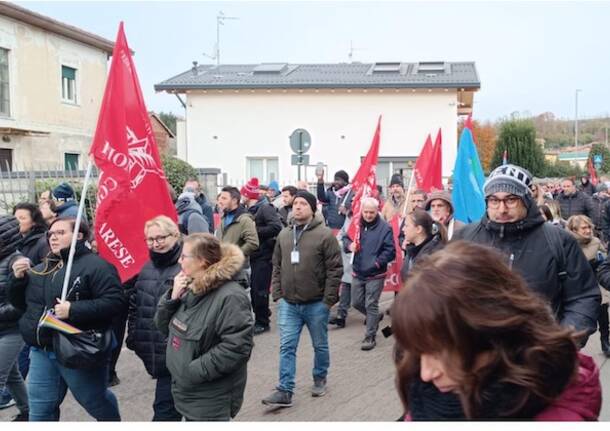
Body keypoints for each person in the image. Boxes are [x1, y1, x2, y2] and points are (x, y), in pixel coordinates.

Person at [392, 241, 602, 420]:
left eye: (440, 353)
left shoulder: (559, 412)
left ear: (492, 335)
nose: (426, 374)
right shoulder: (423, 393)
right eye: (419, 353)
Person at [453, 164, 600, 342]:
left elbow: (583, 298)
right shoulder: (465, 238)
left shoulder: (559, 241)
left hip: (540, 357)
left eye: (511, 199)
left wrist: (562, 342)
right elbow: (444, 293)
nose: (502, 209)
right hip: (476, 359)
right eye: (494, 200)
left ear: (527, 199)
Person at [7, 217, 126, 421]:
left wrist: (74, 309)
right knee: (40, 409)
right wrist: (17, 281)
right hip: (42, 350)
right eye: (51, 234)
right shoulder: (44, 266)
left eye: (60, 233)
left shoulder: (97, 266)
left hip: (76, 348)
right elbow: (22, 305)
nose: (53, 237)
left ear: (79, 236)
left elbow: (116, 303)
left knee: (95, 402)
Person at [154, 233, 254, 421]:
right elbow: (162, 327)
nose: (179, 260)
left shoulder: (230, 296)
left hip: (209, 398)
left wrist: (191, 371)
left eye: (184, 256)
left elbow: (237, 348)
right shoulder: (190, 286)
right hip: (187, 391)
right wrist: (172, 297)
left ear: (201, 261)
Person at [262, 190, 342, 407]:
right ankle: (285, 390)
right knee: (287, 346)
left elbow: (335, 270)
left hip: (316, 304)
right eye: (295, 203)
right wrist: (277, 295)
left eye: (303, 204)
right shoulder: (284, 235)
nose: (297, 207)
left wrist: (328, 301)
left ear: (312, 208)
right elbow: (276, 265)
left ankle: (319, 377)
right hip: (289, 303)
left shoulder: (325, 235)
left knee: (320, 345)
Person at [125, 216, 183, 420]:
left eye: (161, 237)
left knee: (164, 413)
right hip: (156, 354)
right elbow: (136, 303)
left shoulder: (187, 265)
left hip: (179, 354)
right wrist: (133, 336)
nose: (155, 243)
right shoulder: (147, 267)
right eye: (150, 239)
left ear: (175, 235)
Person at [342, 197, 395, 350]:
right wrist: (349, 245)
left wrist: (377, 263)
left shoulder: (385, 228)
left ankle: (370, 336)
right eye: (366, 212)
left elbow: (390, 251)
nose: (368, 215)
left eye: (371, 212)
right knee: (356, 302)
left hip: (375, 273)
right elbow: (345, 238)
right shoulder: (356, 224)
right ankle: (374, 317)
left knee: (371, 303)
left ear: (377, 211)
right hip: (358, 271)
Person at [242, 178, 283, 335]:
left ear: (248, 195)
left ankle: (262, 322)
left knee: (259, 290)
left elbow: (276, 227)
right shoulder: (249, 210)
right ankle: (263, 313)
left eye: (243, 194)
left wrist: (254, 231)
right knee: (255, 290)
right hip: (254, 255)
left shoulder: (265, 208)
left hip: (264, 255)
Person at [566, 215, 609, 357]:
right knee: (582, 321)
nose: (588, 230)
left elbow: (604, 257)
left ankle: (605, 341)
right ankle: (574, 349)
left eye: (589, 227)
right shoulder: (567, 243)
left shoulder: (596, 241)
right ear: (574, 229)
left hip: (597, 284)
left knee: (603, 315)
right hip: (578, 288)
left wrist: (600, 260)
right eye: (584, 228)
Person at [0, 216, 28, 421]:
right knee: (12, 375)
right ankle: (28, 412)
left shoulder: (19, 263)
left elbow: (24, 302)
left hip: (13, 329)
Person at [215, 186, 259, 287]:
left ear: (234, 200)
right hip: (223, 268)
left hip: (239, 271)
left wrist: (235, 256)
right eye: (220, 198)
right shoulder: (224, 218)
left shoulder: (244, 220)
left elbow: (253, 243)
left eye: (224, 198)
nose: (220, 201)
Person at [400, 209, 447, 282]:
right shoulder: (412, 250)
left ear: (418, 229)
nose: (403, 229)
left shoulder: (433, 255)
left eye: (406, 226)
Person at [328, 212, 354, 329]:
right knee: (346, 284)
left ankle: (372, 314)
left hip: (362, 258)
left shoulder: (369, 215)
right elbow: (342, 233)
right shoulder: (349, 217)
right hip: (347, 255)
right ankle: (341, 315)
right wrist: (339, 243)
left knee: (359, 295)